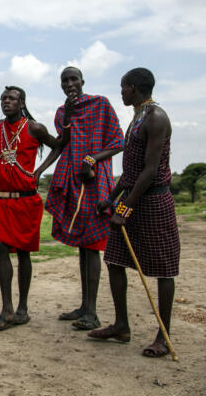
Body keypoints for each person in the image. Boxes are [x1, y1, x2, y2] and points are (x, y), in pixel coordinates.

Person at [89, 68, 180, 358]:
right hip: (132, 197)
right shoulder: (137, 117)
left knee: (164, 270)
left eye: (123, 87)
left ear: (135, 88)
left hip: (154, 202)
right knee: (114, 259)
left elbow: (150, 171)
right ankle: (121, 326)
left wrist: (124, 209)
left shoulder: (155, 118)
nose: (121, 92)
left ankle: (163, 337)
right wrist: (111, 199)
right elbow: (130, 171)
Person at [37, 66, 123, 330]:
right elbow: (64, 143)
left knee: (92, 243)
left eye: (73, 79)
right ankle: (85, 306)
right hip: (72, 181)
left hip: (96, 182)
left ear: (82, 81)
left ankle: (93, 313)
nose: (69, 83)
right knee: (83, 247)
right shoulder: (63, 112)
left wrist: (92, 158)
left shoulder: (101, 104)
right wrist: (40, 171)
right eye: (65, 81)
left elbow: (118, 142)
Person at [0, 86, 72, 331]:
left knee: (23, 252)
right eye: (4, 98)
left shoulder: (35, 128)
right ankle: (7, 309)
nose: (7, 102)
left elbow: (59, 145)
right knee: (1, 248)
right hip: (2, 199)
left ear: (22, 102)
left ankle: (22, 309)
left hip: (26, 199)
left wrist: (40, 170)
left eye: (12, 99)